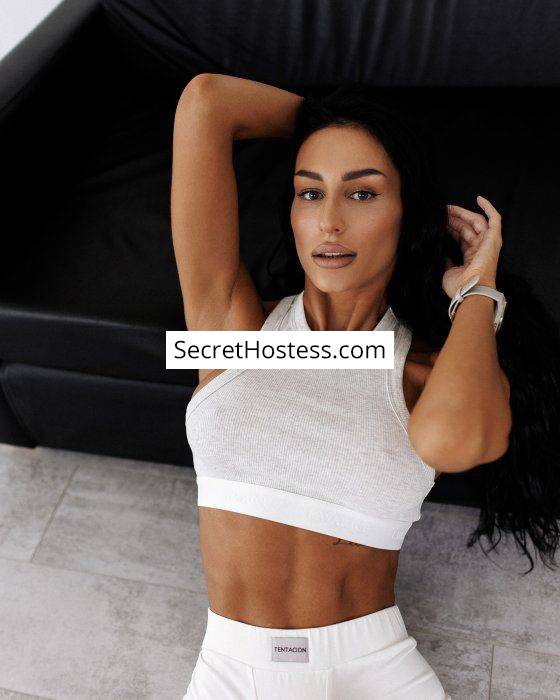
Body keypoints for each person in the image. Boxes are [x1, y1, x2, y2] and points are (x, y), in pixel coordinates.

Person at [171, 73, 560, 699]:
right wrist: (340, 118)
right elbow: (206, 102)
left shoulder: (423, 371)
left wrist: (476, 293)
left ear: (408, 216)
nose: (329, 222)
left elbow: (460, 443)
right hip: (229, 671)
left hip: (373, 671)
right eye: (310, 192)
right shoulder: (233, 333)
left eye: (362, 194)